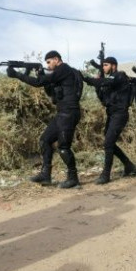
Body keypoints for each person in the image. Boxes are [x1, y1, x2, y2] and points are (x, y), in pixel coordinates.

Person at [8, 51, 83, 189]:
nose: (47, 65)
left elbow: (38, 83)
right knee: (45, 140)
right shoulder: (60, 73)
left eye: (49, 62)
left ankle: (73, 178)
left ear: (56, 59)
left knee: (63, 147)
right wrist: (40, 73)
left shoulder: (63, 69)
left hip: (69, 112)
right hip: (62, 113)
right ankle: (46, 174)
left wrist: (17, 75)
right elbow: (49, 90)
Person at [83, 57, 136, 184]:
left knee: (108, 143)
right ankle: (129, 166)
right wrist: (97, 86)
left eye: (106, 65)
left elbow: (107, 82)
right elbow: (103, 99)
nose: (103, 68)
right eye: (103, 65)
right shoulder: (108, 82)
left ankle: (106, 174)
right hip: (111, 114)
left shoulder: (120, 76)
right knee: (109, 143)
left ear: (114, 66)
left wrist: (86, 78)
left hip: (120, 113)